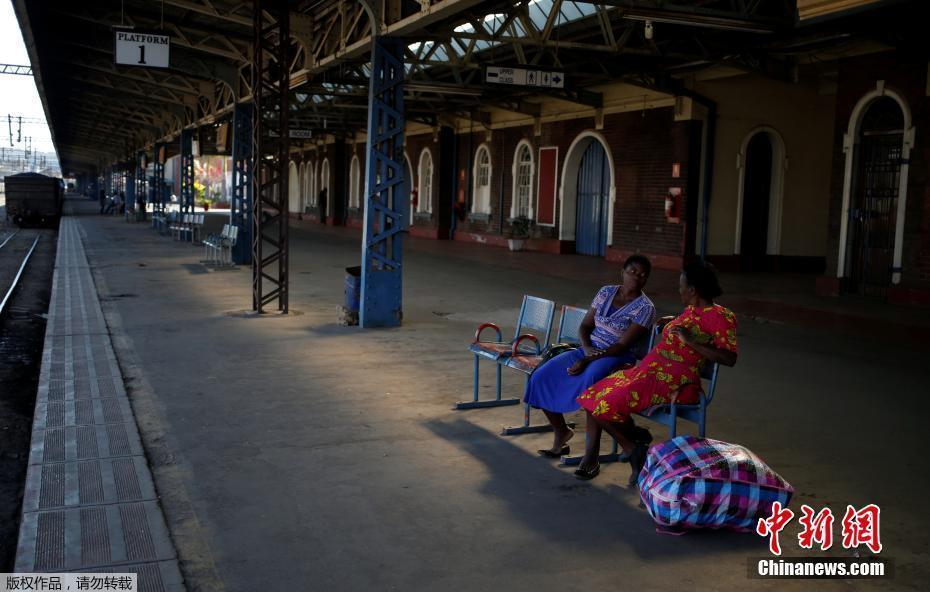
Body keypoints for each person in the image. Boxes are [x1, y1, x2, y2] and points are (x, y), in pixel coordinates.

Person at [575, 260, 739, 484]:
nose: (678, 290)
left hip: (673, 382)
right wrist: (672, 322)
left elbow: (729, 358)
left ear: (693, 290)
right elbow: (692, 325)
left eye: (681, 286)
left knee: (604, 404)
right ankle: (634, 448)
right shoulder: (691, 309)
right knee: (591, 396)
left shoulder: (722, 317)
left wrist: (690, 342)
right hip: (648, 372)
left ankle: (635, 450)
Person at [525, 255, 656, 458]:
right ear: (622, 272)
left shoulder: (645, 308)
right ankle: (561, 431)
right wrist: (585, 349)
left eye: (643, 275)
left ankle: (591, 455)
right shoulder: (606, 292)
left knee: (591, 383)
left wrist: (587, 360)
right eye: (633, 272)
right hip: (587, 350)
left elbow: (621, 346)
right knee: (540, 376)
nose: (637, 278)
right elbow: (585, 325)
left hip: (617, 358)